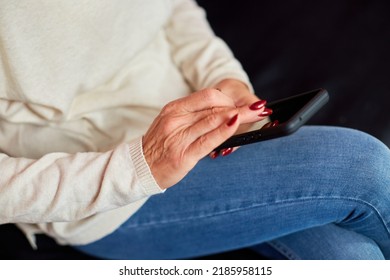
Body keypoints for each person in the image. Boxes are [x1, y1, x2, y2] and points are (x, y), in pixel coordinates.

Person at [0, 0, 389, 260]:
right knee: (362, 164)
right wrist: (140, 166)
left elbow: (173, 11)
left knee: (352, 259)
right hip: (103, 193)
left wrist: (224, 81)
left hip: (203, 125)